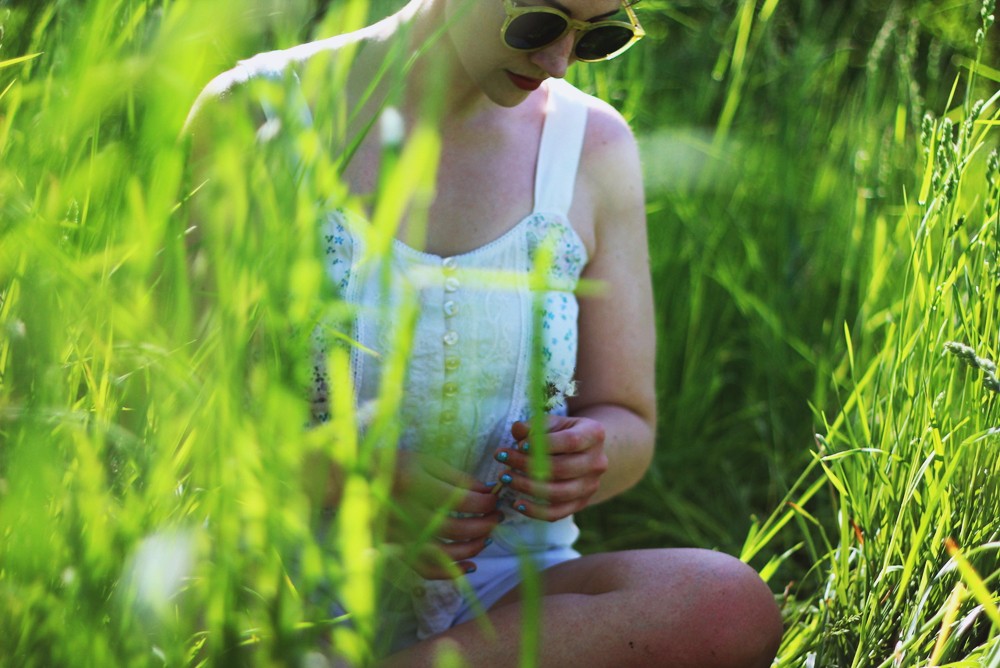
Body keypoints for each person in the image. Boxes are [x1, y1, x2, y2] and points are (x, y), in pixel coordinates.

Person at [186, 0, 784, 665]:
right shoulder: (258, 114)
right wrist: (349, 481)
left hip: (507, 605)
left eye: (601, 36)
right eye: (539, 23)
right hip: (286, 583)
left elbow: (629, 422)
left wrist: (589, 455)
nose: (558, 61)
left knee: (728, 600)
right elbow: (184, 418)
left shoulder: (594, 146)